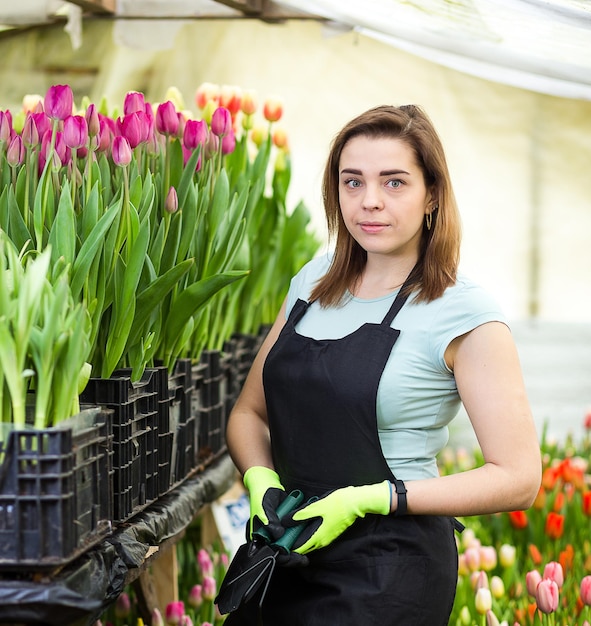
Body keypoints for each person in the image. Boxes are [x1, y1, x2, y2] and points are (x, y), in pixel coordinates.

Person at [223, 104, 541, 625]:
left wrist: (374, 498)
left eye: (394, 183)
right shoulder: (313, 282)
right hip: (289, 544)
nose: (369, 201)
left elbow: (519, 476)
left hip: (389, 567)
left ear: (432, 194)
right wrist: (261, 479)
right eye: (353, 182)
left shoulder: (463, 311)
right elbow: (248, 415)